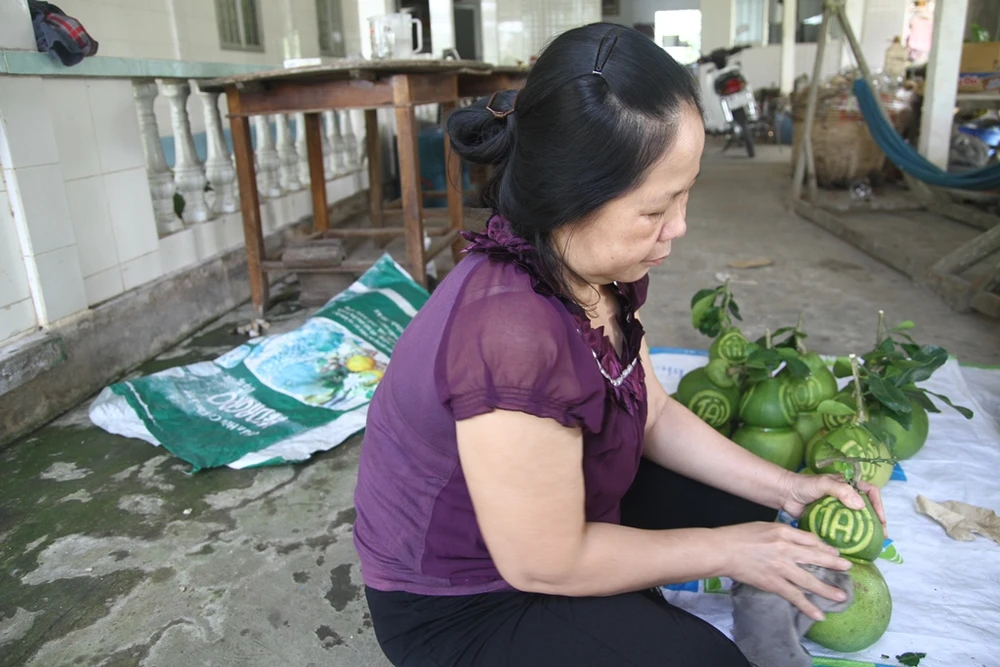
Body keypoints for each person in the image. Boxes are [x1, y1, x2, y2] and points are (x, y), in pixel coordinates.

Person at [353, 23, 887, 667]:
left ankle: (739, 584)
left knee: (760, 508)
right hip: (471, 600)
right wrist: (726, 551)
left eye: (685, 194)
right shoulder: (512, 339)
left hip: (560, 514)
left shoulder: (594, 270)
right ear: (570, 199)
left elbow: (652, 411)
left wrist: (787, 487)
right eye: (656, 209)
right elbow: (545, 563)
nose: (679, 227)